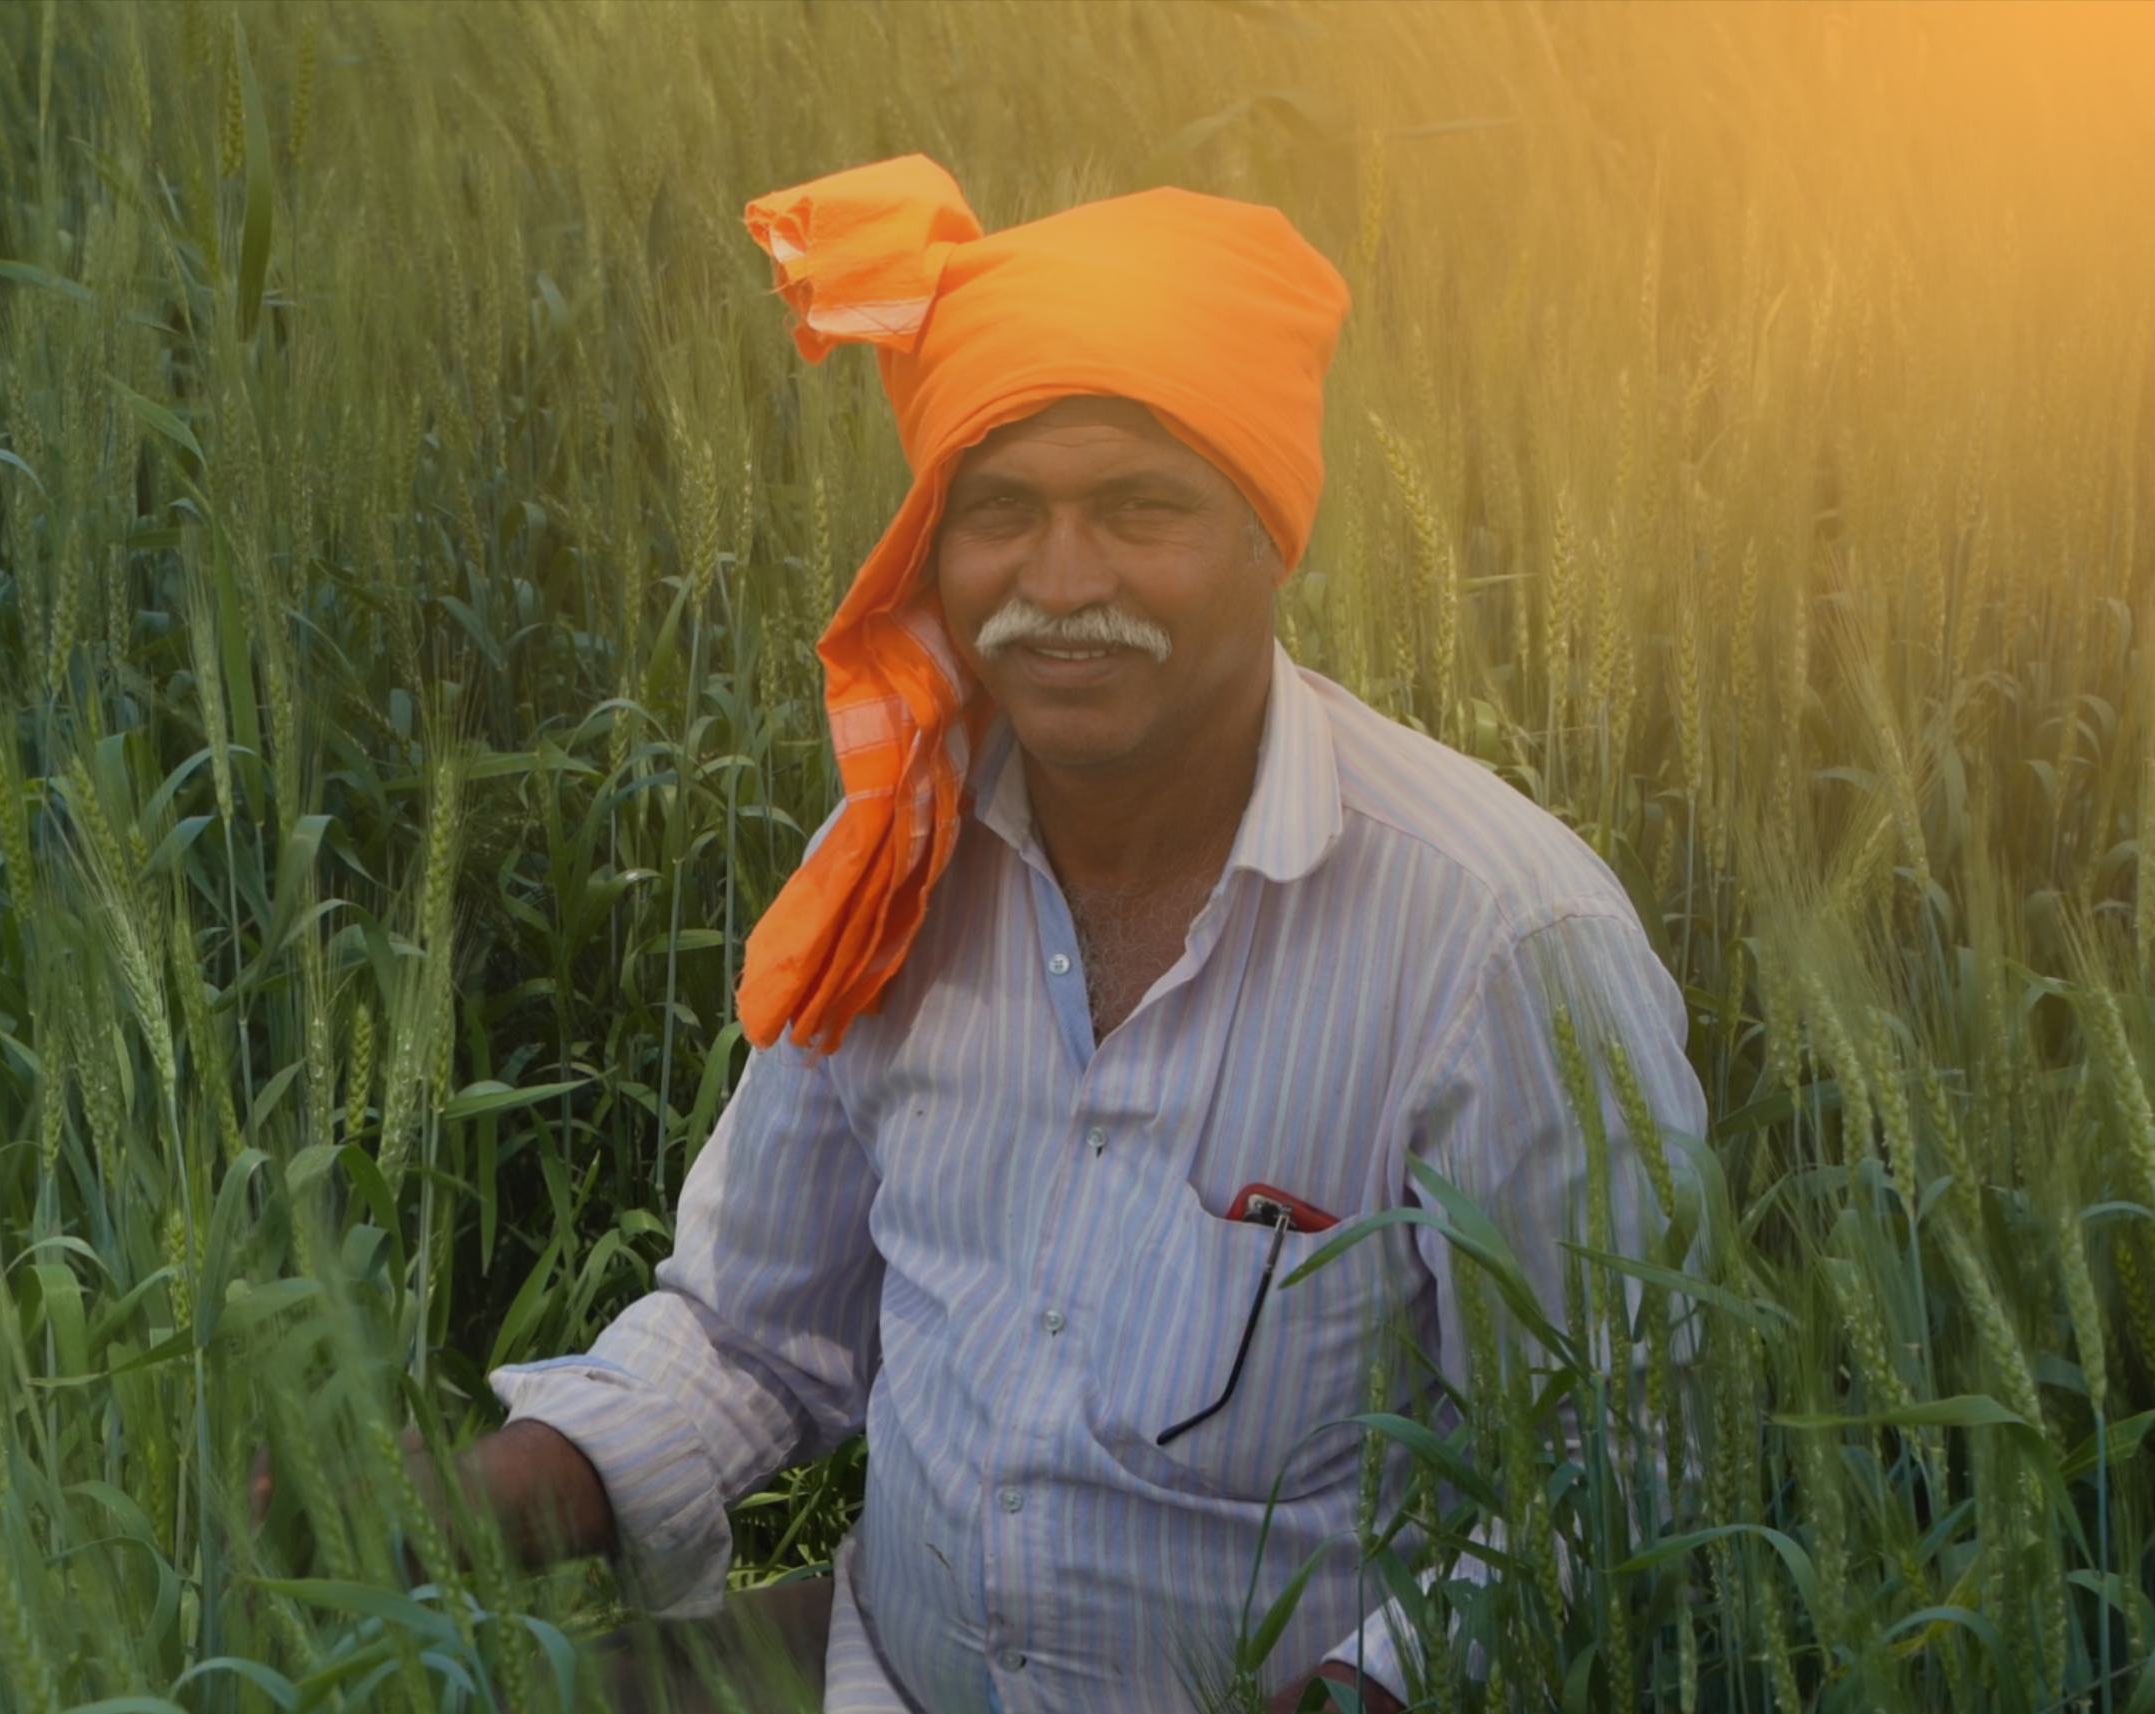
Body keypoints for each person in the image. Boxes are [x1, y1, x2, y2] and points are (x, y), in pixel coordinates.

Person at [439, 157, 1708, 1713]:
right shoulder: (894, 858)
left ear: (1271, 533)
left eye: (1139, 507)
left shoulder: (1500, 941)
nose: (1059, 582)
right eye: (1000, 513)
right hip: (881, 1676)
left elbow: (1614, 1481)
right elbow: (753, 1333)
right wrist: (434, 1514)